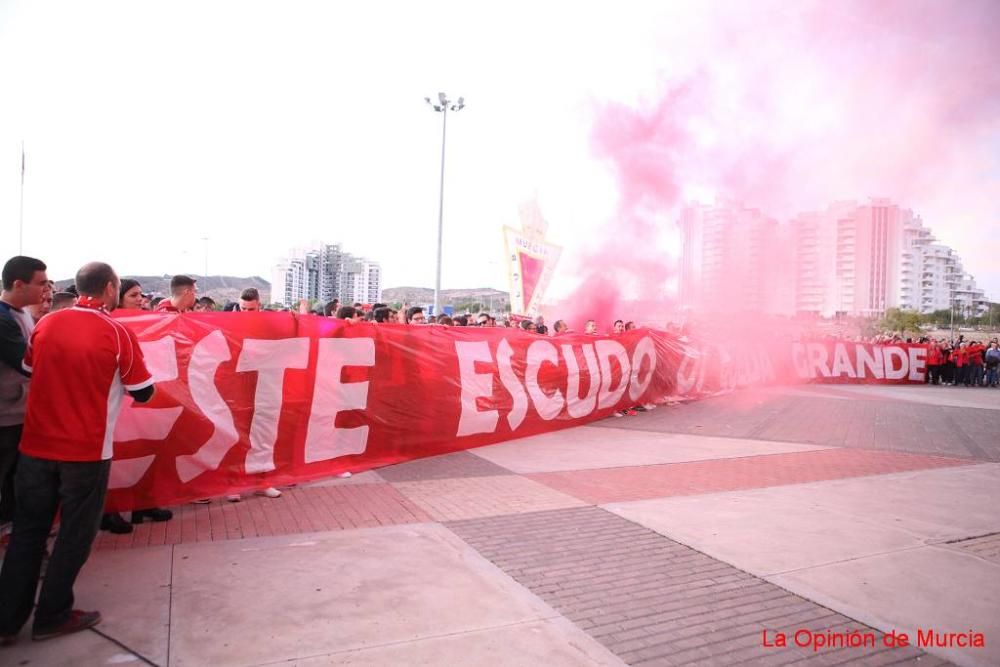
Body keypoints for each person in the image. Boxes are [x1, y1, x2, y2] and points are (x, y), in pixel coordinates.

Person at [0, 262, 155, 644]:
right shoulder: (116, 333)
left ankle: (5, 621)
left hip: (35, 446)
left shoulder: (47, 324)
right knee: (74, 533)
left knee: (28, 531)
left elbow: (27, 366)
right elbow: (144, 391)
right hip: (85, 451)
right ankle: (53, 614)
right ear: (108, 289)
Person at [101, 280, 173, 533]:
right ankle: (109, 510)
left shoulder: (148, 320)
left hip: (147, 398)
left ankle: (143, 503)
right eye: (133, 295)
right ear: (117, 297)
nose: (140, 299)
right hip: (120, 403)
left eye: (141, 295)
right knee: (118, 457)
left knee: (149, 451)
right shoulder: (110, 325)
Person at [0, 256, 49, 531]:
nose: (45, 289)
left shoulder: (21, 315)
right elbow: (29, 364)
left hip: (21, 413)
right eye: (40, 283)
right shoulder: (3, 319)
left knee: (18, 482)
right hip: (5, 419)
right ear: (19, 284)